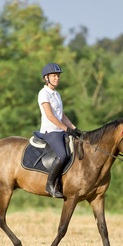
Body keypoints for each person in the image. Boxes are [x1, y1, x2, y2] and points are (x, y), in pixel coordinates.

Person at [38, 63, 81, 198]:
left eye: (58, 76)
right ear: (46, 78)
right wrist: (66, 129)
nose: (57, 78)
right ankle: (49, 185)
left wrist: (74, 129)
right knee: (62, 155)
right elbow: (50, 116)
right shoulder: (43, 93)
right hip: (50, 131)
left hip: (60, 130)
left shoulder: (57, 94)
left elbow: (61, 116)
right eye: (54, 76)